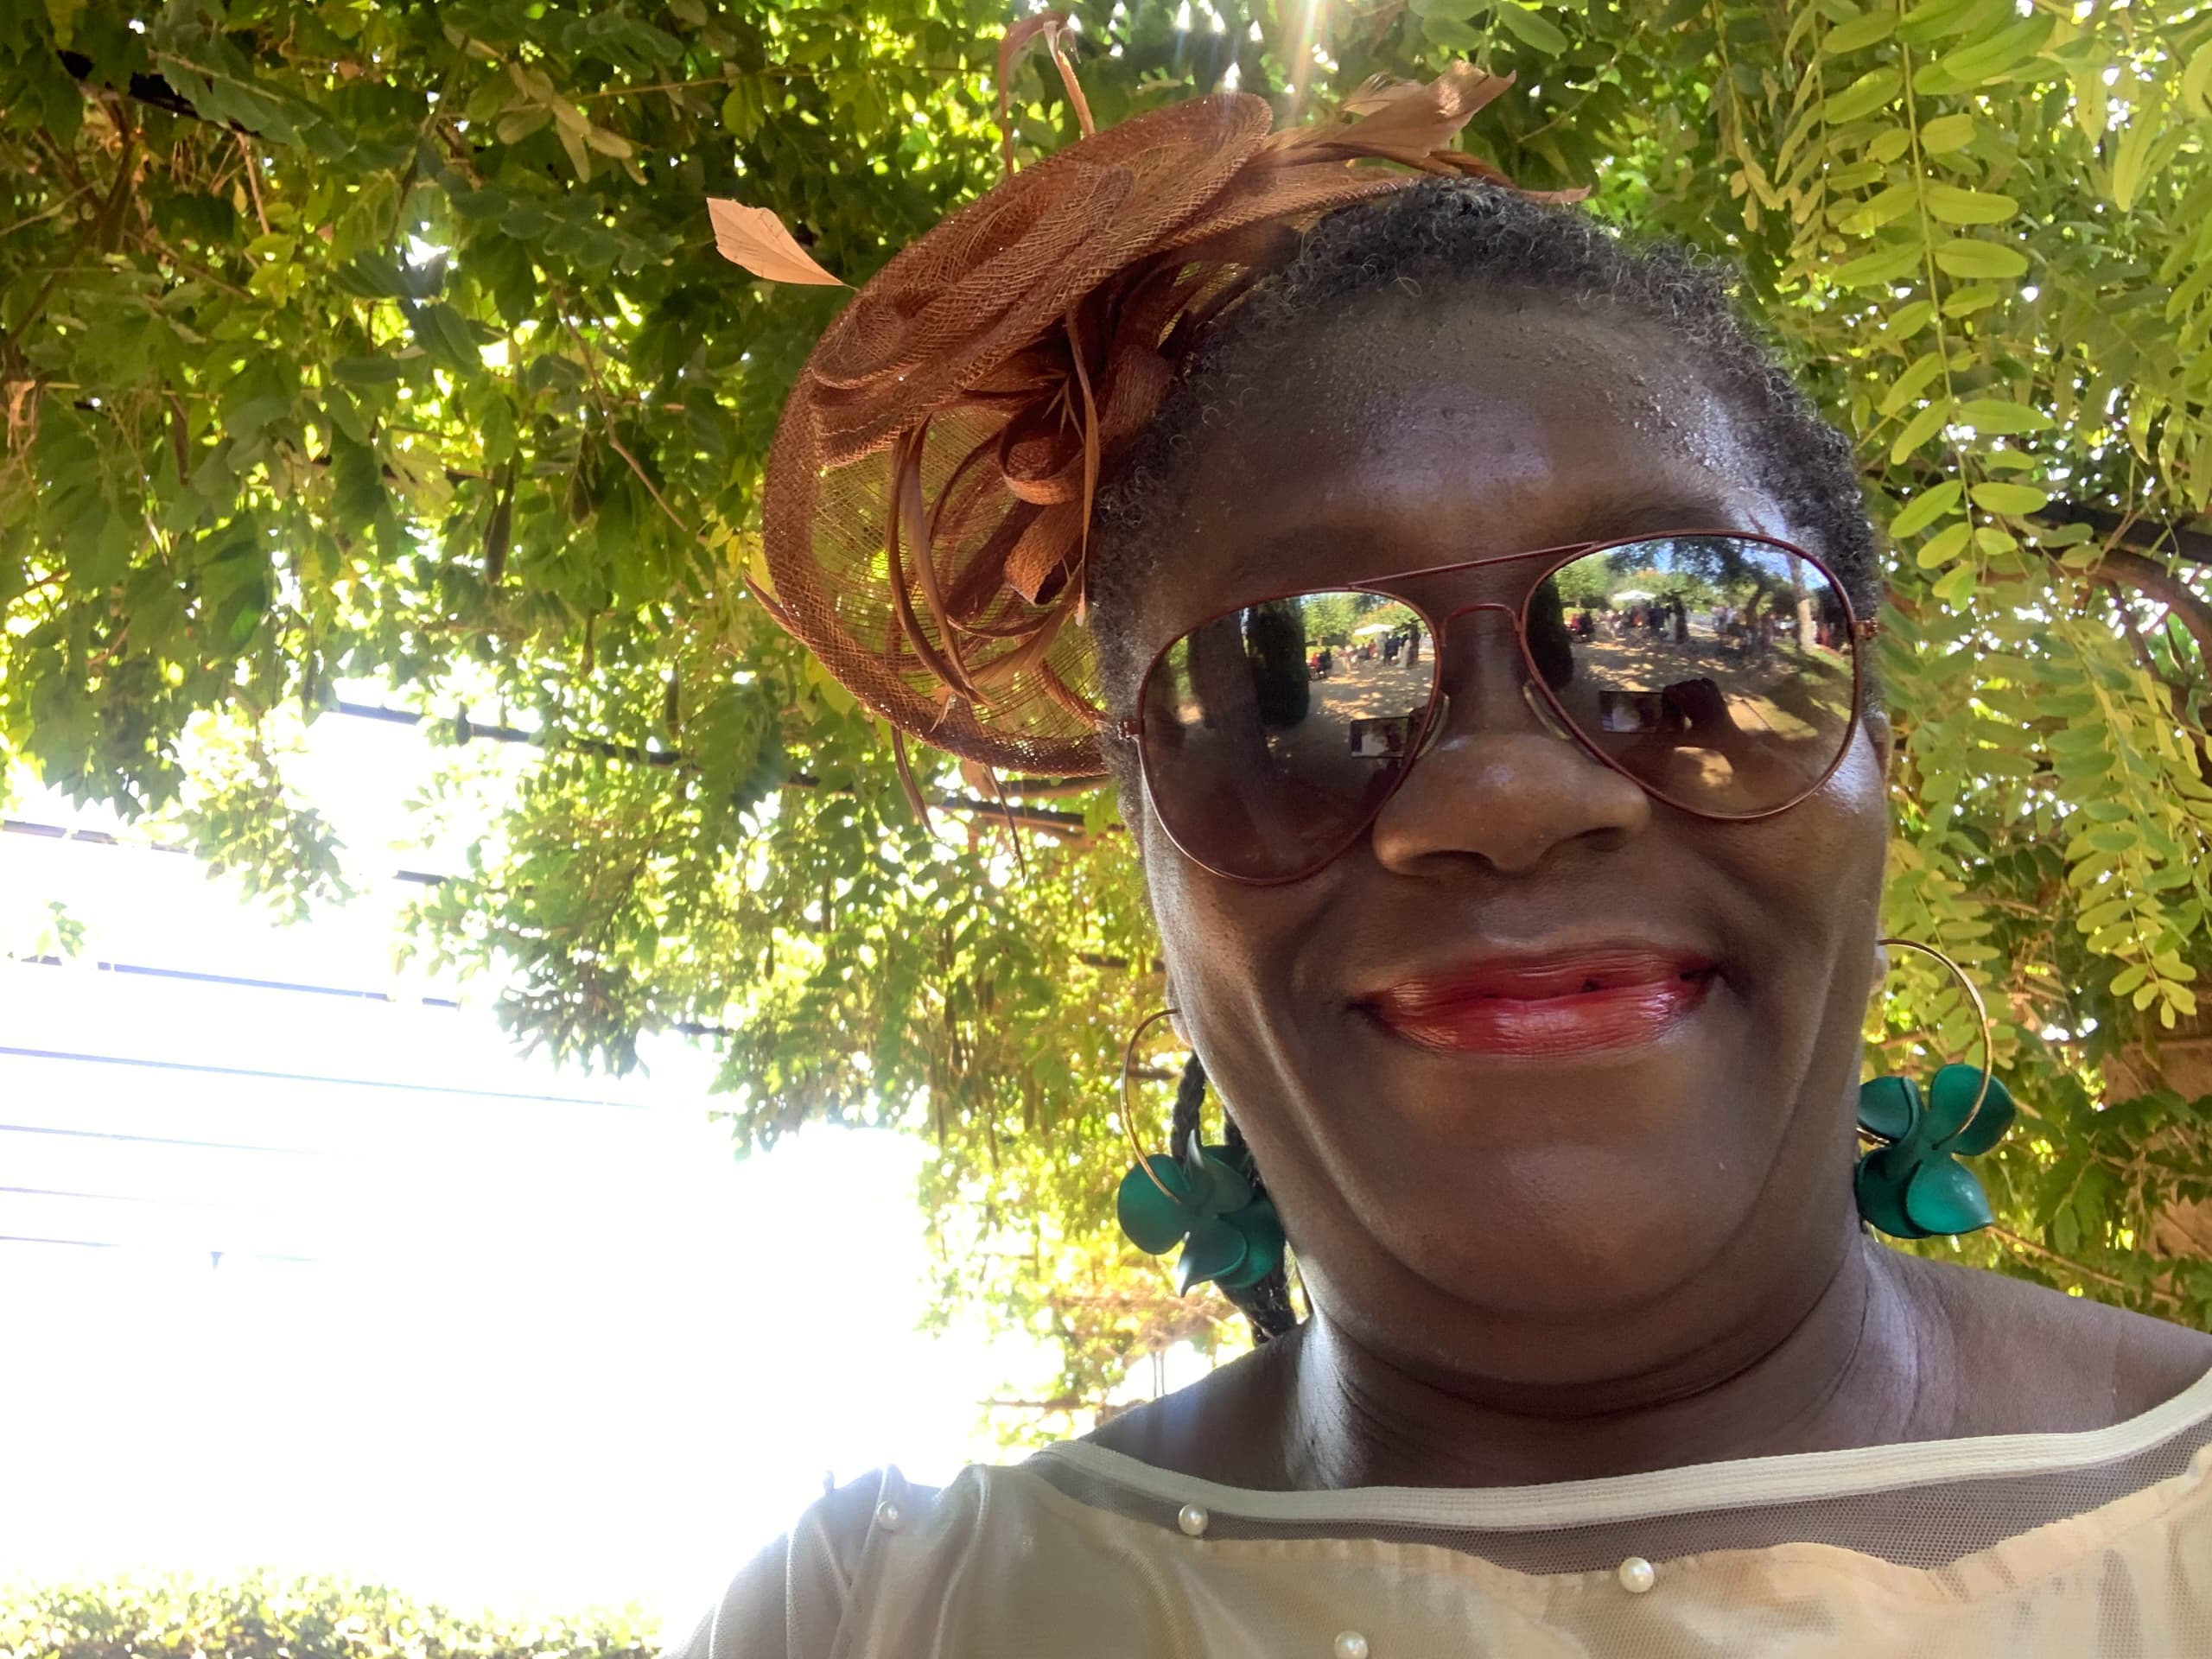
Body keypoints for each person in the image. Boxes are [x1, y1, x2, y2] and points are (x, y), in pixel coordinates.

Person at [687, 69, 2212, 1658]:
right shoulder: (882, 1620)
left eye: (1683, 636)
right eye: (1291, 693)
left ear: (1877, 769)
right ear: (1146, 863)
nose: (1501, 794)